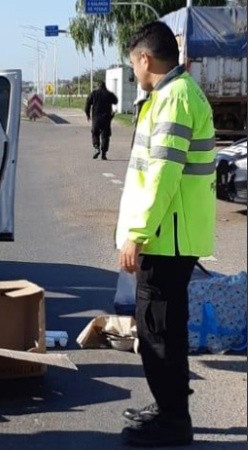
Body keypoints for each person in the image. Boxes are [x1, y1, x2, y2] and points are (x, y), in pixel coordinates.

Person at [116, 21, 216, 447]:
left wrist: (137, 233)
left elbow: (162, 176)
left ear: (145, 59)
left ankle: (173, 421)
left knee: (158, 329)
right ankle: (168, 406)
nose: (134, 70)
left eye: (133, 63)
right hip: (170, 234)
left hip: (165, 237)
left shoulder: (173, 99)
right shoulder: (171, 95)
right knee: (164, 327)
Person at [85, 81, 119, 160]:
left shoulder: (94, 93)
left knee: (95, 133)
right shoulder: (109, 94)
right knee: (105, 136)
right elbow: (116, 101)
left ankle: (96, 147)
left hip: (96, 118)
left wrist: (87, 114)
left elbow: (87, 103)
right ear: (105, 86)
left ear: (98, 86)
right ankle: (104, 154)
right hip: (106, 118)